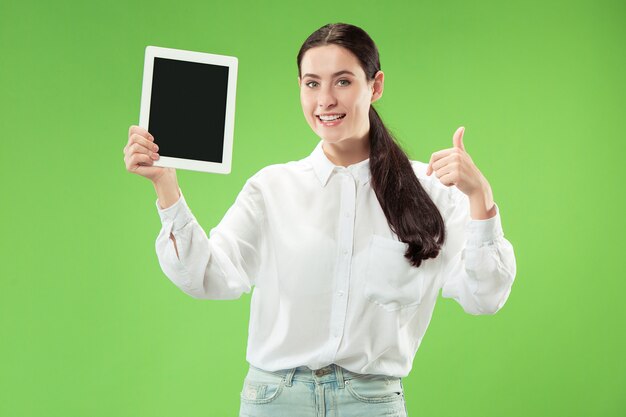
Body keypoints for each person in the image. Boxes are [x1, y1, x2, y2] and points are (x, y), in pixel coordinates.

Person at [123, 22, 516, 417]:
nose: (325, 99)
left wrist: (481, 197)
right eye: (311, 84)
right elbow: (206, 275)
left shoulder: (431, 191)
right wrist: (166, 187)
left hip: (372, 403)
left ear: (375, 85)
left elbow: (484, 296)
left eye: (342, 81)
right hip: (274, 401)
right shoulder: (271, 188)